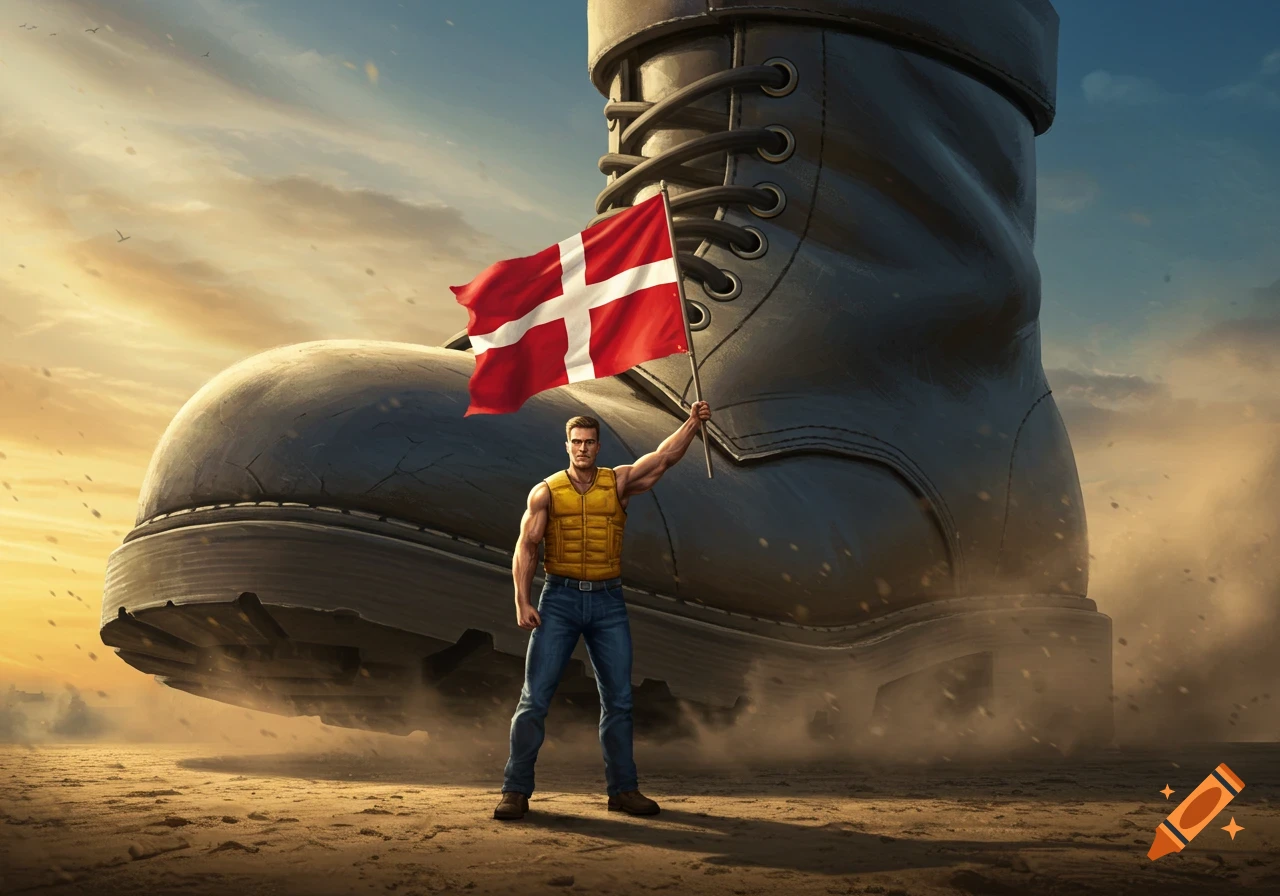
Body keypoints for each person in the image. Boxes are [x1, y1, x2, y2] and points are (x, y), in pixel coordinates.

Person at [493, 400, 713, 820]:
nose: (582, 449)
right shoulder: (546, 491)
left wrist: (692, 422)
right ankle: (515, 790)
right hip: (558, 600)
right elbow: (528, 546)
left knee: (619, 701)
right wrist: (522, 599)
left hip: (608, 601)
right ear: (567, 445)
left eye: (589, 443)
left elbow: (663, 458)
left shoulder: (617, 483)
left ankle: (623, 791)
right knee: (534, 699)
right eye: (576, 442)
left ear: (598, 446)